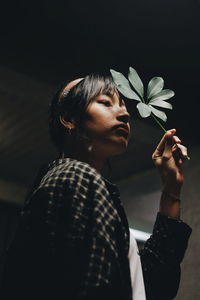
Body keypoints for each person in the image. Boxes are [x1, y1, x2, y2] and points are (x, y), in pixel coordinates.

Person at [1, 74, 192, 300]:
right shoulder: (75, 176)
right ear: (69, 118)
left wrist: (171, 187)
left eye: (123, 105)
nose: (125, 113)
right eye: (105, 102)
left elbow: (151, 287)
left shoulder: (83, 186)